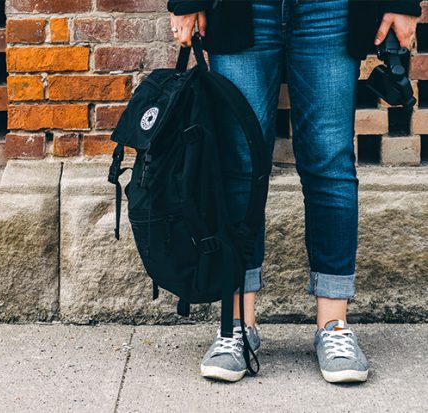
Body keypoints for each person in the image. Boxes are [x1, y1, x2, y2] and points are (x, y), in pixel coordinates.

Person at [167, 0, 421, 383]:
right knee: (240, 164)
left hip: (331, 8)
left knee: (330, 161)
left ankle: (334, 325)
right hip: (241, 7)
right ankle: (236, 325)